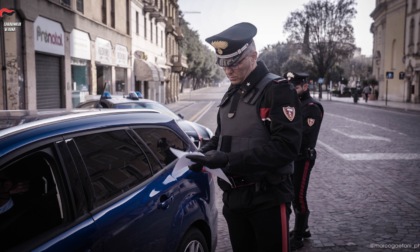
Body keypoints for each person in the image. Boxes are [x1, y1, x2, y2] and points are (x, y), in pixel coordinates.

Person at [186, 22, 302, 252]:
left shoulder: (277, 90)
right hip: (234, 199)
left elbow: (286, 147)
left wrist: (228, 161)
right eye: (223, 64)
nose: (228, 70)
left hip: (267, 198)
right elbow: (221, 136)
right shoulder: (233, 90)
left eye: (234, 63)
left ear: (253, 57)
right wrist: (200, 154)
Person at [284, 72, 324, 251]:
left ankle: (298, 236)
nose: (293, 90)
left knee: (298, 196)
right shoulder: (296, 104)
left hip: (303, 157)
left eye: (296, 87)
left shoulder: (312, 107)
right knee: (292, 194)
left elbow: (303, 135)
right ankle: (304, 228)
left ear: (305, 87)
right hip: (293, 157)